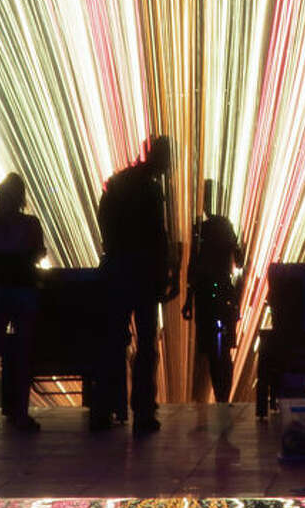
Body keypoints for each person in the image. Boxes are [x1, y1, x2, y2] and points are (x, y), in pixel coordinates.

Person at [97, 132, 177, 435]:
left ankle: (106, 408)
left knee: (114, 340)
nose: (170, 167)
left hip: (118, 269)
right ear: (157, 158)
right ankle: (142, 411)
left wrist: (112, 248)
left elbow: (104, 220)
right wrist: (165, 274)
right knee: (145, 344)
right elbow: (158, 235)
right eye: (168, 160)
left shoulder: (117, 182)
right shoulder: (151, 190)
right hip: (143, 274)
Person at [0, 170, 45, 432]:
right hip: (23, 289)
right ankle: (21, 413)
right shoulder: (31, 224)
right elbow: (38, 251)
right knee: (23, 352)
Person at [183, 178, 245, 404]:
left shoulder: (200, 228)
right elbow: (238, 261)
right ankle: (224, 397)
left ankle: (221, 396)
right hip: (223, 291)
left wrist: (189, 298)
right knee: (224, 348)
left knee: (210, 349)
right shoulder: (227, 226)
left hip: (205, 292)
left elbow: (194, 264)